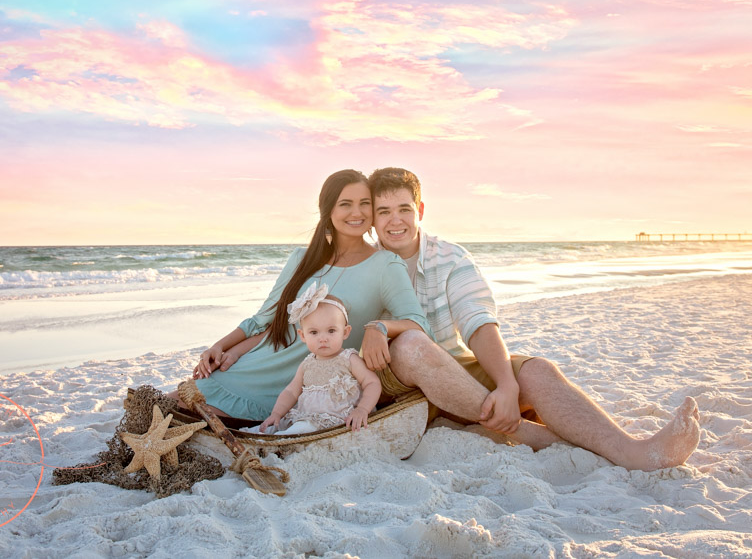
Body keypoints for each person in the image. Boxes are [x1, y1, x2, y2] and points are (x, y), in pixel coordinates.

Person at [363, 167, 701, 471]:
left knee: (537, 371)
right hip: (398, 386)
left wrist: (507, 385)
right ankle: (532, 435)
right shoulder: (360, 263)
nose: (396, 221)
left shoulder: (450, 257)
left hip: (454, 374)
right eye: (384, 212)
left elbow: (477, 323)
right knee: (411, 345)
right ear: (373, 218)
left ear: (419, 211)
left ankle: (633, 452)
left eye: (404, 209)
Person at [171, 169, 430, 422]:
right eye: (345, 204)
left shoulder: (385, 264)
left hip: (302, 389)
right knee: (161, 410)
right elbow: (263, 320)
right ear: (328, 211)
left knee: (187, 425)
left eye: (365, 203)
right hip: (251, 368)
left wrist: (380, 327)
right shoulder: (300, 259)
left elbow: (419, 324)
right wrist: (220, 346)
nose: (356, 212)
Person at [253, 284, 381, 434]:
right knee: (278, 425)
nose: (323, 339)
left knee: (303, 429)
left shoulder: (349, 359)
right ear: (303, 336)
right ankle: (257, 433)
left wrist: (363, 409)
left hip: (335, 421)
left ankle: (283, 438)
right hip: (307, 417)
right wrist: (276, 413)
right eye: (314, 332)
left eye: (331, 331)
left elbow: (372, 382)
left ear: (345, 332)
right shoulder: (307, 363)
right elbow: (291, 392)